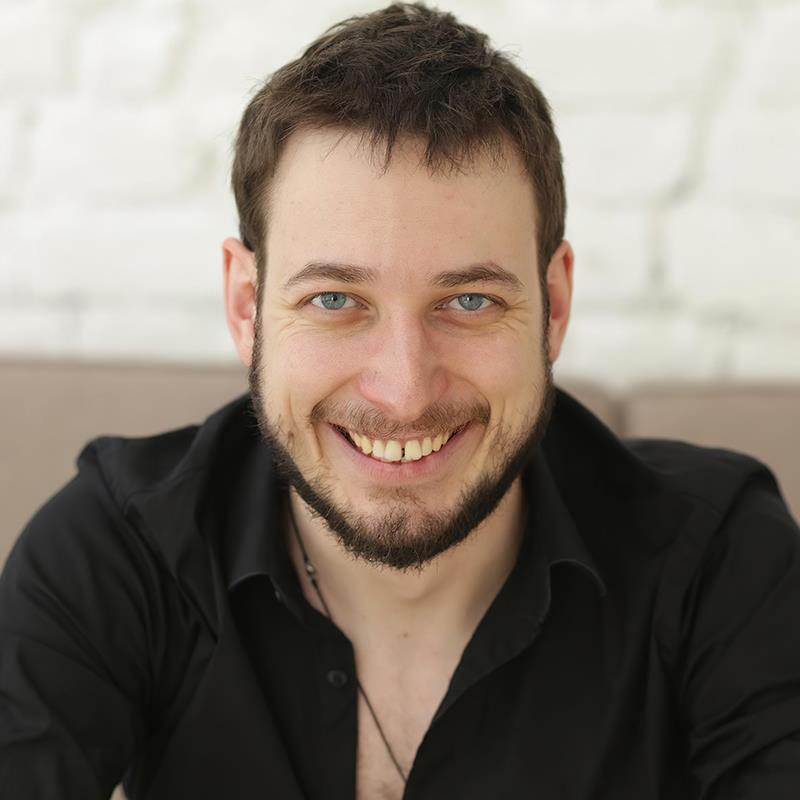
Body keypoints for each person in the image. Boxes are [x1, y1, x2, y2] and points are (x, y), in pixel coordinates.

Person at [2, 3, 799, 798]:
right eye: (335, 300)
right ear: (247, 307)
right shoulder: (117, 554)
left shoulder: (720, 560)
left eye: (470, 302)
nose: (405, 390)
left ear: (554, 306)